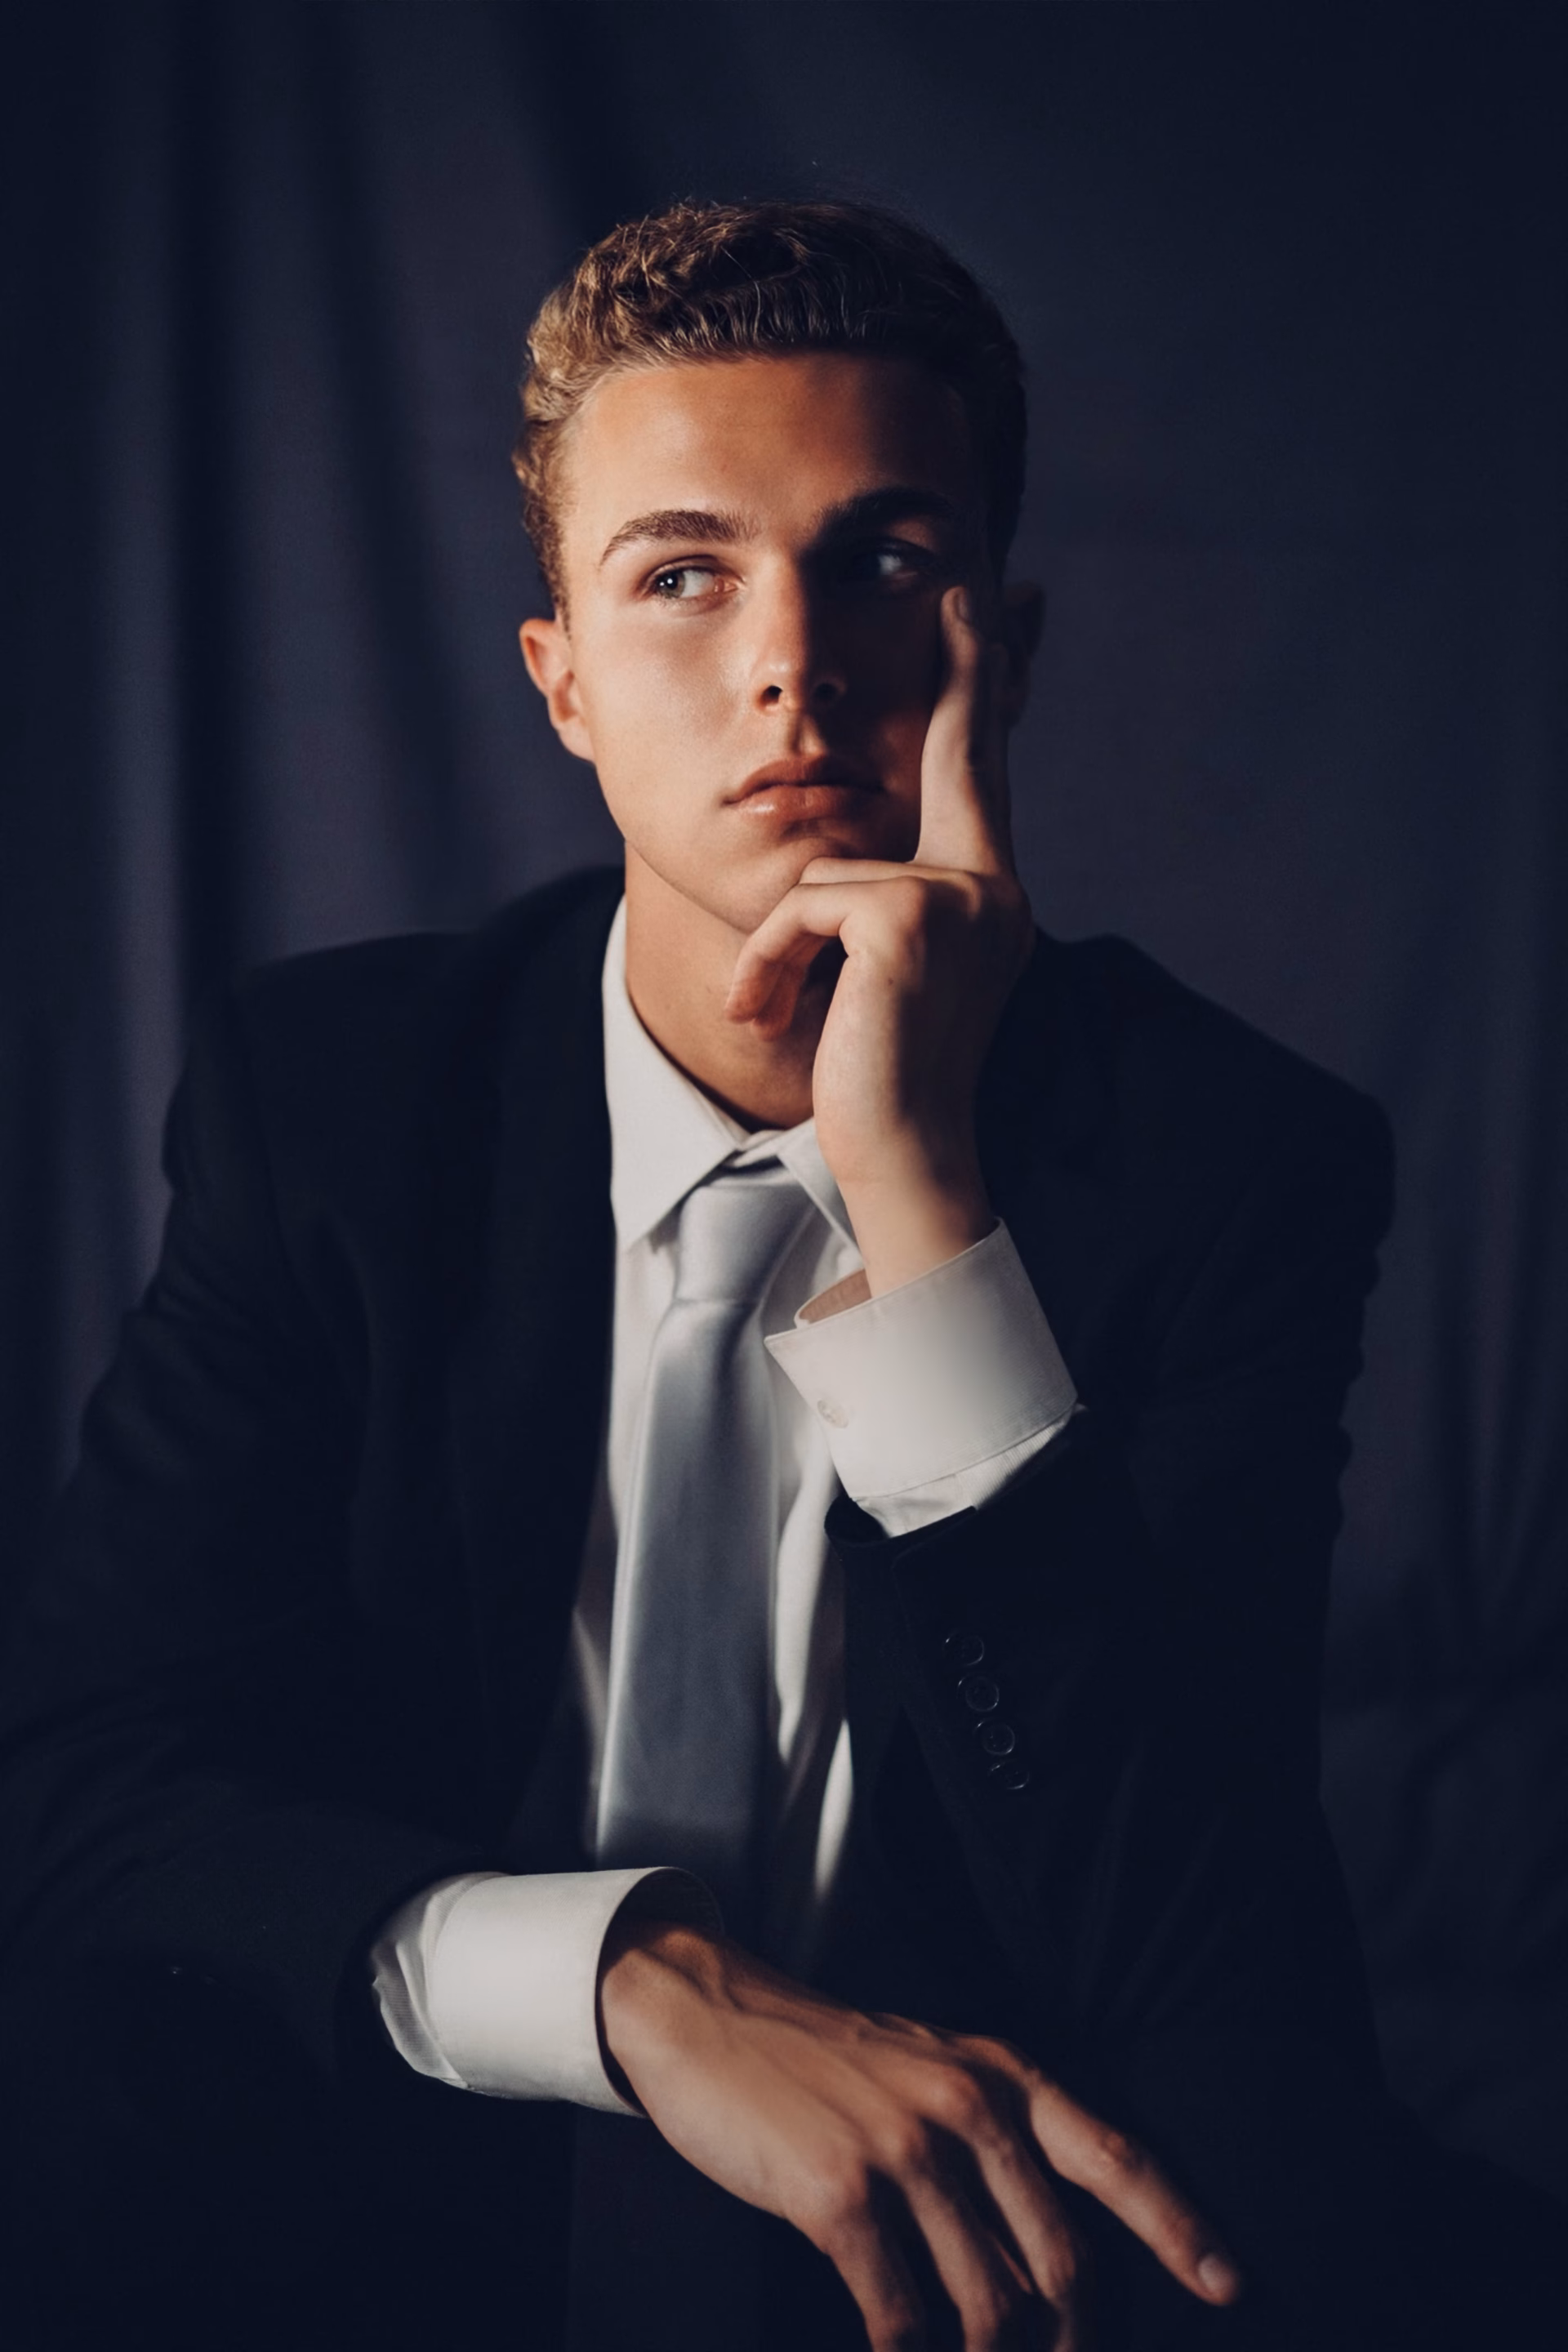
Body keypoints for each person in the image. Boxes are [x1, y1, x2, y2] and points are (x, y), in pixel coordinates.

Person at [0, 200, 1545, 2352]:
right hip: (386, 2220)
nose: (789, 665)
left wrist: (919, 1196)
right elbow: (84, 1790)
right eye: (681, 575)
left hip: (978, 2245)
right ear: (559, 678)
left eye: (883, 559)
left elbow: (1192, 1957)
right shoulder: (332, 1102)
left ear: (1006, 649)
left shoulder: (1230, 1161)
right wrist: (636, 1988)